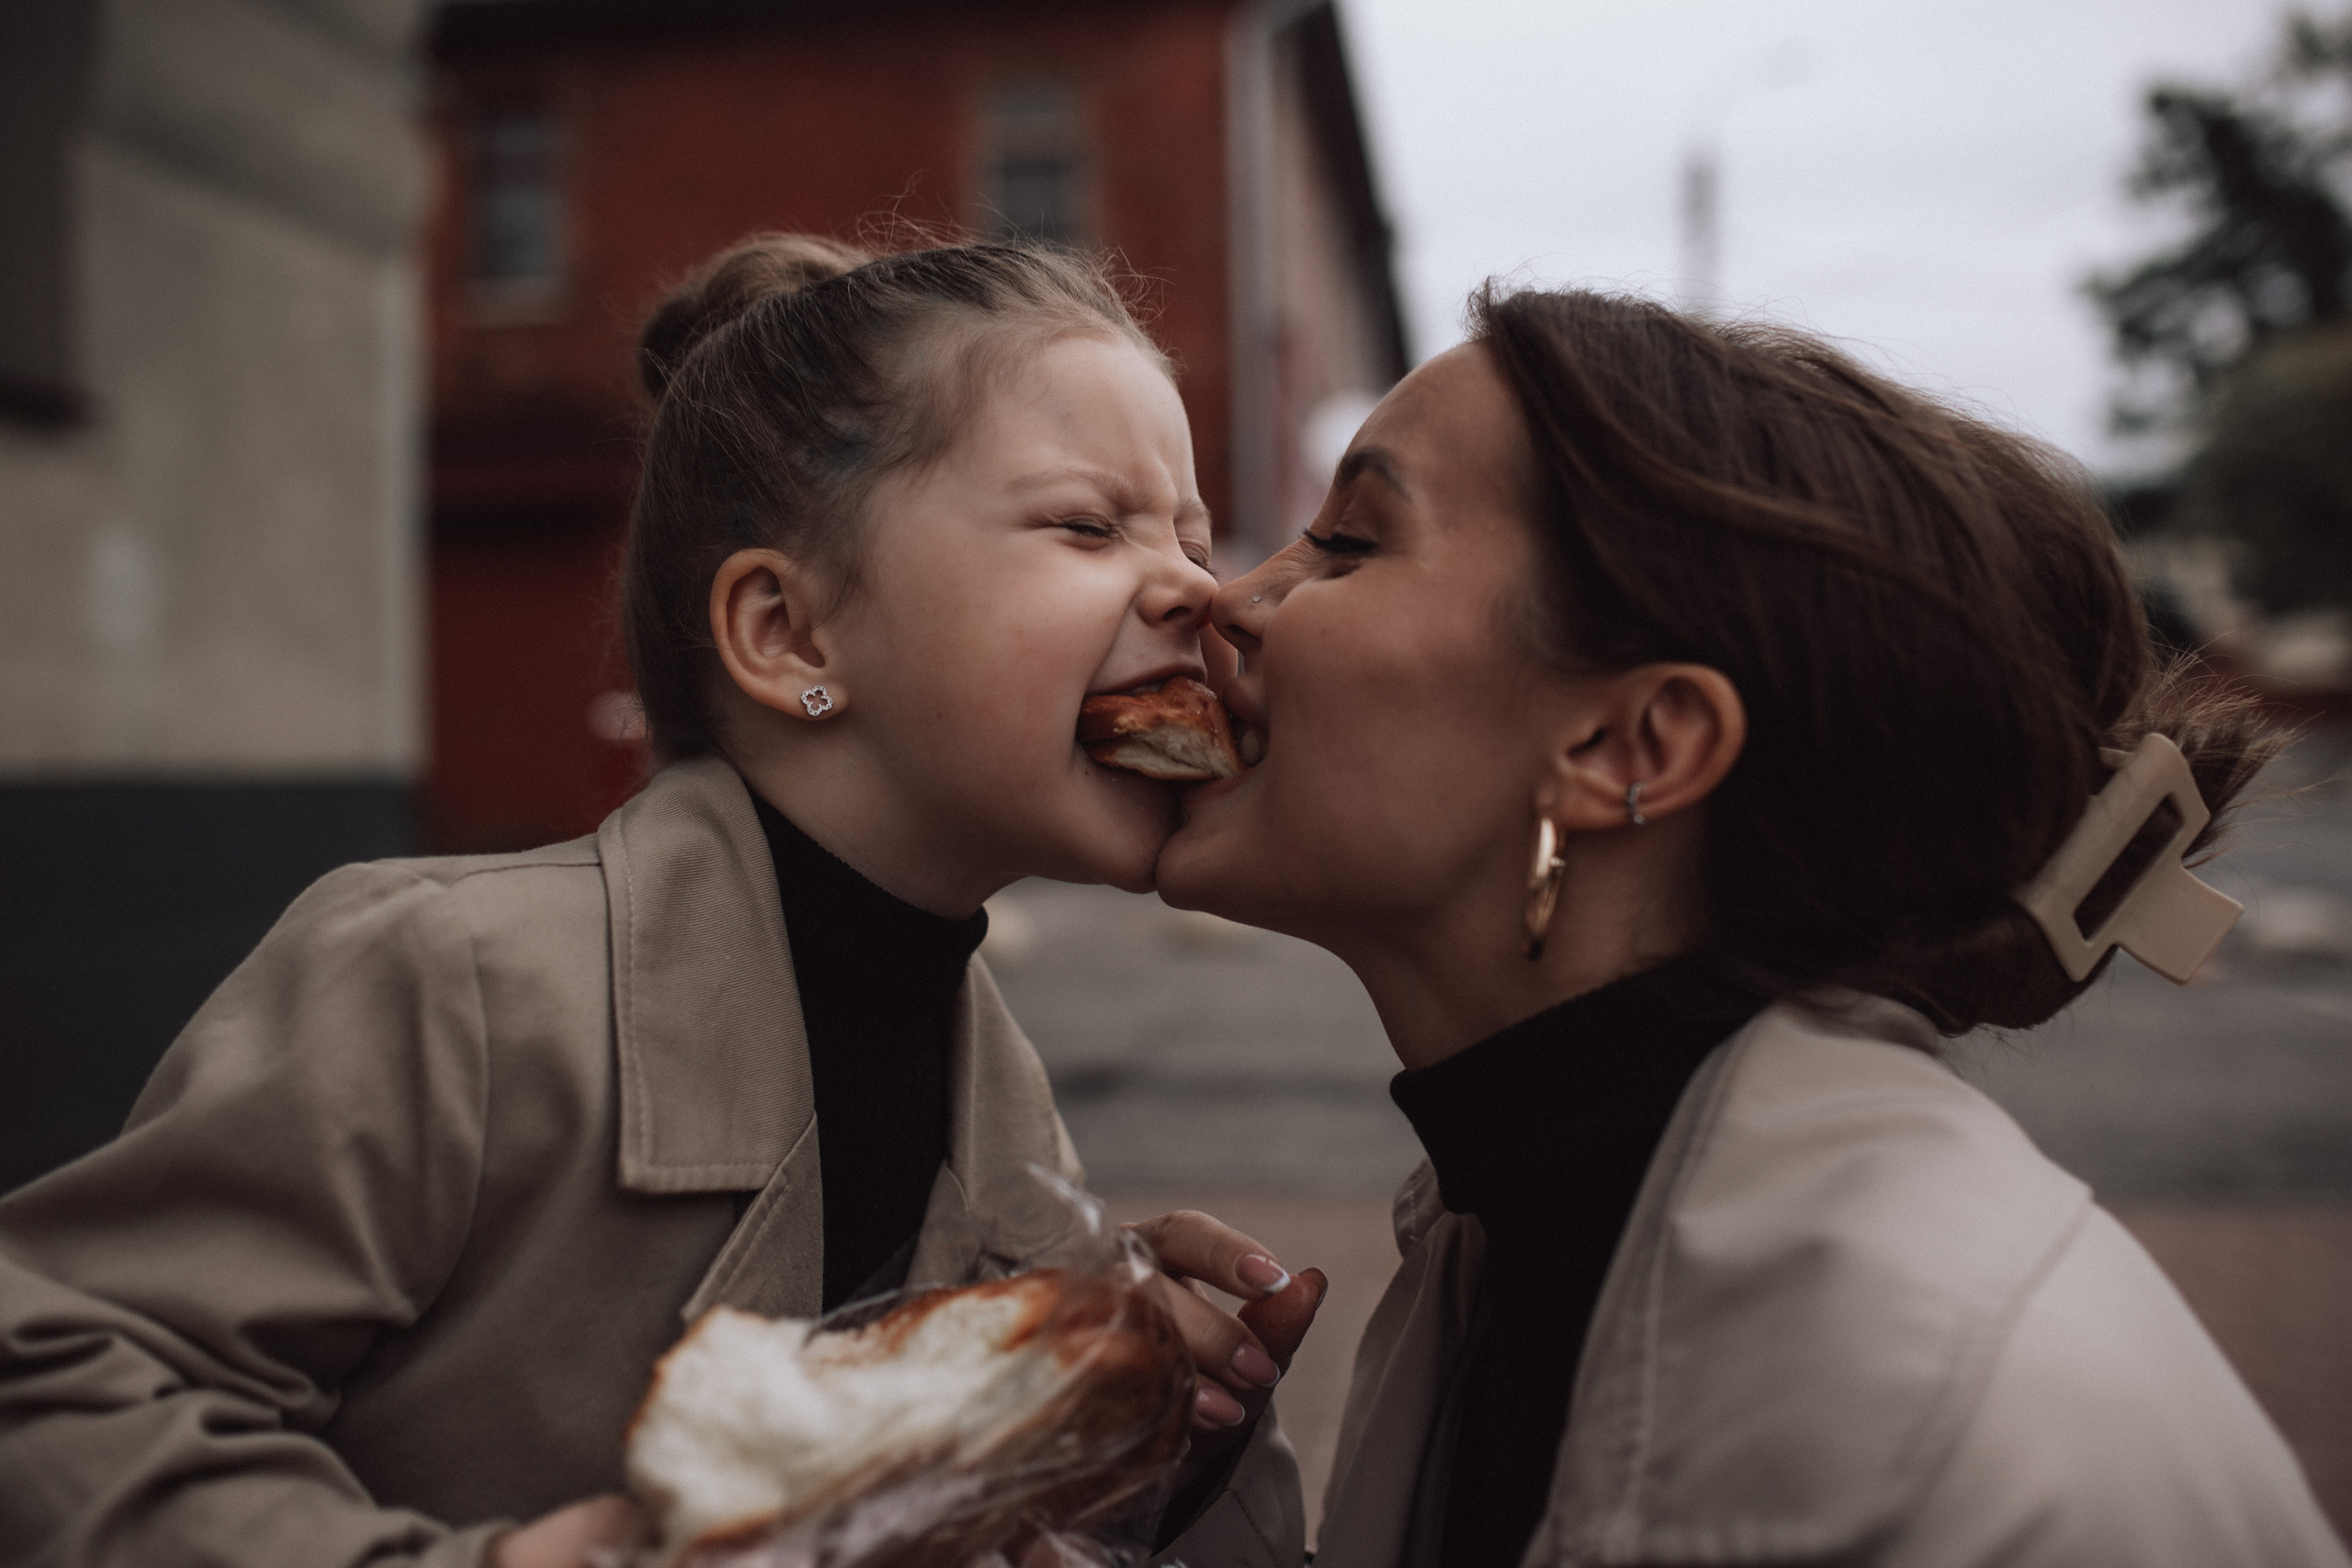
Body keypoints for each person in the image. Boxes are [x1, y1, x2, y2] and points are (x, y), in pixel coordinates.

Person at [0, 234, 1323, 1568]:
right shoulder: (446, 981)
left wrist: (1128, 1425)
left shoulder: (1003, 1104)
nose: (1200, 590)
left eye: (1194, 535)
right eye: (1090, 525)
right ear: (791, 638)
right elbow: (49, 1390)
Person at [1157, 286, 2349, 1566]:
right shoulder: (1518, 1221)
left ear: (1632, 749)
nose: (1229, 599)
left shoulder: (1963, 1425)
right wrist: (1163, 1485)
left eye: (1349, 541)